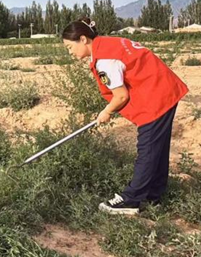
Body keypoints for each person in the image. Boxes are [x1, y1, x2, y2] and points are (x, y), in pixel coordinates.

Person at [61, 18, 188, 215]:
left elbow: (121, 96)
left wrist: (107, 112)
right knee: (158, 148)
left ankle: (131, 199)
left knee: (148, 149)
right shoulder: (109, 44)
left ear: (83, 39)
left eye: (70, 47)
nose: (70, 53)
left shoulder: (105, 60)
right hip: (163, 89)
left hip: (155, 96)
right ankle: (154, 196)